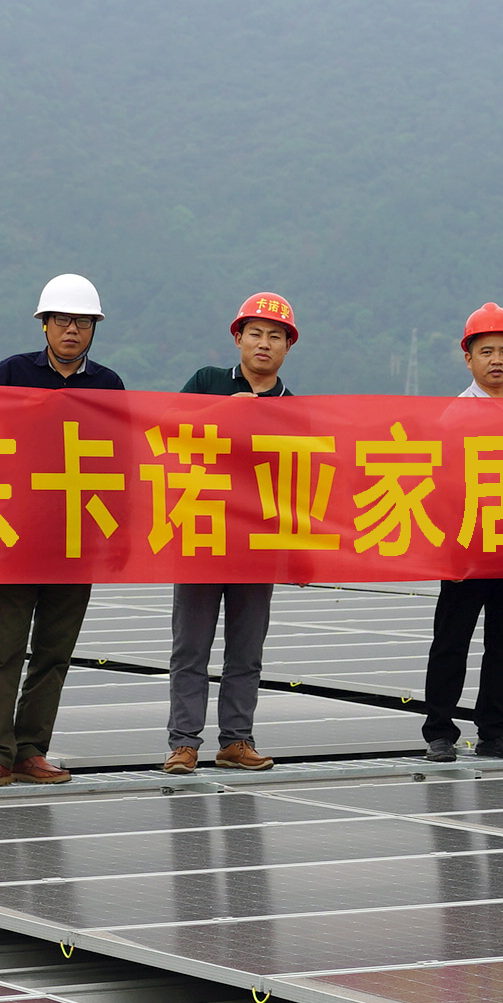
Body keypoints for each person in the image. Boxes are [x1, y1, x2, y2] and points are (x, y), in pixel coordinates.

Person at [0, 275, 127, 791]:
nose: (71, 329)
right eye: (62, 320)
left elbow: (122, 461)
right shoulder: (12, 373)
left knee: (54, 652)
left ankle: (31, 749)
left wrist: (116, 535)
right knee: (3, 649)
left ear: (94, 327)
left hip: (77, 538)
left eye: (82, 321)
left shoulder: (108, 385)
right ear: (44, 324)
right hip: (16, 535)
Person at [164, 292, 299, 774]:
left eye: (275, 336)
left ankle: (236, 739)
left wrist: (300, 554)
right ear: (238, 338)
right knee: (191, 647)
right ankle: (184, 743)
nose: (264, 343)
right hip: (201, 532)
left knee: (247, 649)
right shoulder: (208, 382)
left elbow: (303, 481)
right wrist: (223, 411)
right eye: (255, 333)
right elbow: (166, 427)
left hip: (257, 542)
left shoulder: (292, 407)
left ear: (288, 346)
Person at [422, 303, 503, 764]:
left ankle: (494, 731)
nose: (496, 360)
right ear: (467, 358)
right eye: (486, 351)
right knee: (452, 642)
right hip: (467, 546)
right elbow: (439, 484)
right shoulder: (453, 415)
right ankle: (439, 732)